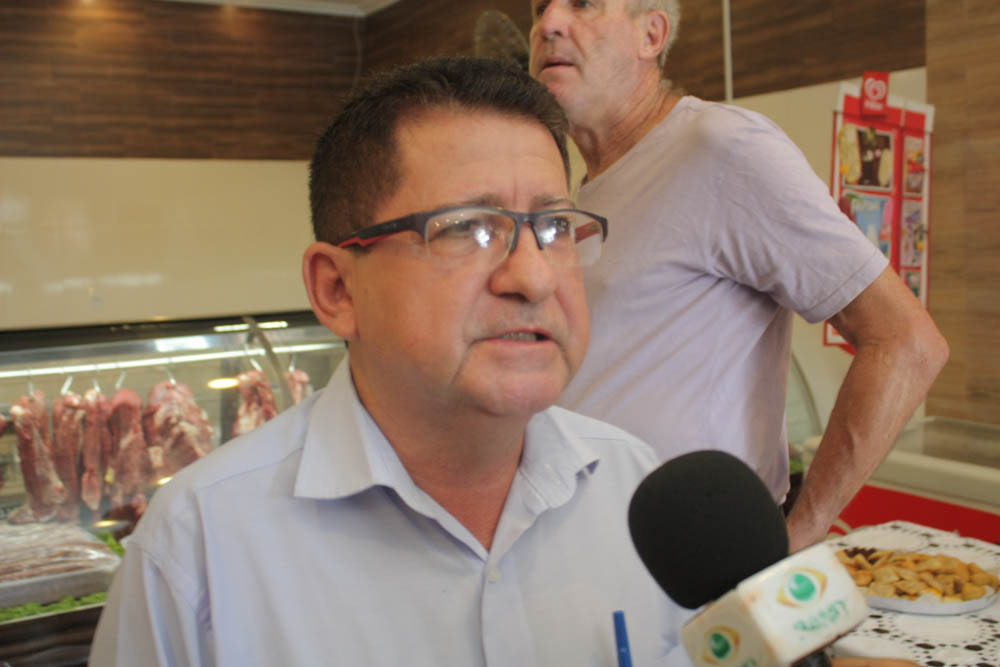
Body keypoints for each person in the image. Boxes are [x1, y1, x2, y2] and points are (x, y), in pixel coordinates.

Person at [87, 56, 694, 666]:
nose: (533, 277)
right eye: (468, 228)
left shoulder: (635, 488)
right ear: (338, 290)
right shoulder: (200, 550)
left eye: (555, 226)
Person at [528, 0, 949, 552]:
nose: (548, 23)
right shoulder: (582, 190)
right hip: (587, 547)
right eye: (539, 7)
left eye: (583, 3)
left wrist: (800, 533)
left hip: (695, 559)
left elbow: (907, 342)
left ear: (651, 34)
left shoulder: (721, 146)